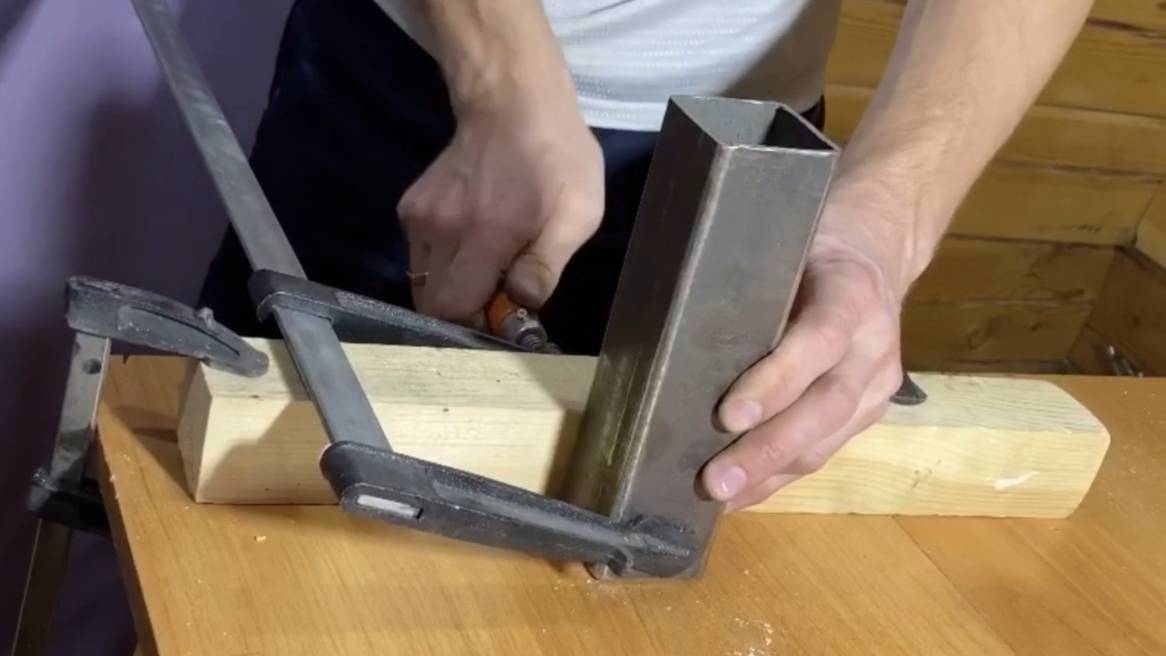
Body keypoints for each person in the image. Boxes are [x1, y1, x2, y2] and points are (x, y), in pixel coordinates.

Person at [198, 0, 1092, 512]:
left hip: (751, 150)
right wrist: (496, 70)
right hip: (418, 72)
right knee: (259, 478)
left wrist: (883, 224)